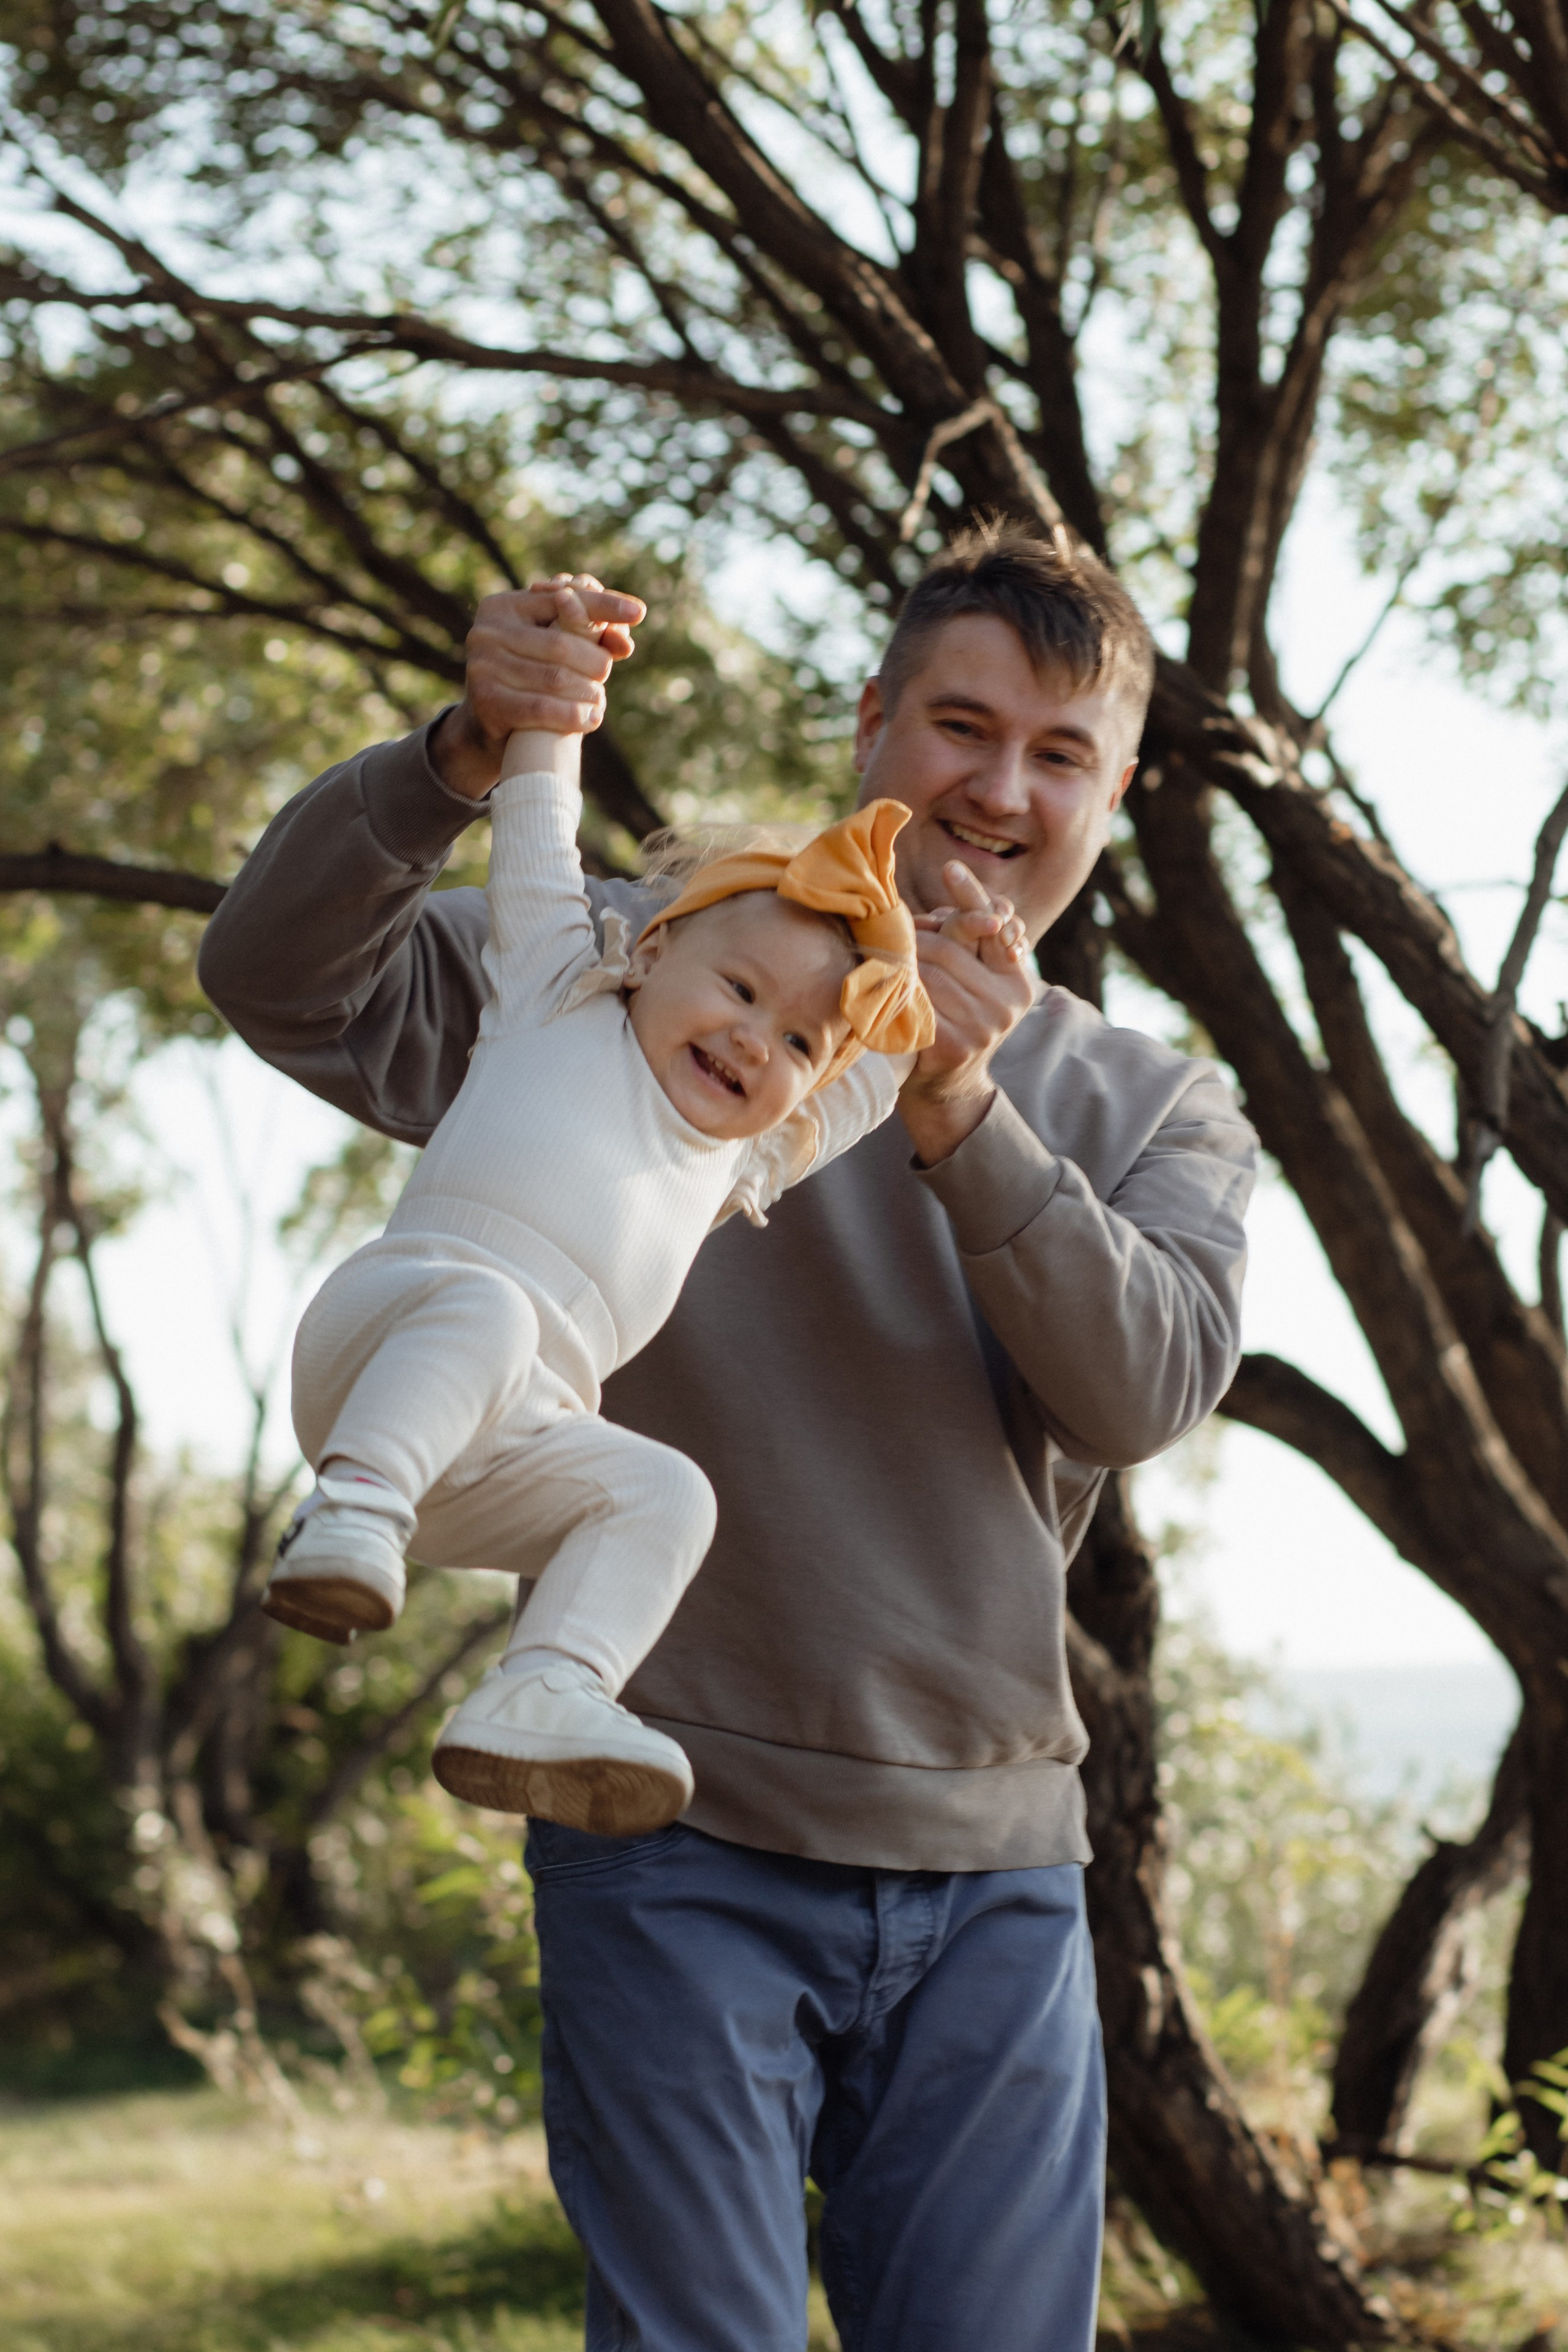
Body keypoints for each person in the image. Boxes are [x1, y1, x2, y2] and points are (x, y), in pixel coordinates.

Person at [198, 523, 1255, 2352]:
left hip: (993, 1864)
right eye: (959, 723)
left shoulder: (1153, 1103)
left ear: (1116, 792)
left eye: (1059, 752)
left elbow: (1145, 1386)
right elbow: (276, 976)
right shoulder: (648, 961)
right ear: (870, 724)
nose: (1000, 790)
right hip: (669, 1833)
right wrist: (461, 755)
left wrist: (953, 1102)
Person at [264, 579, 941, 1833]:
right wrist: (556, 703)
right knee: (492, 1312)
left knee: (666, 1493)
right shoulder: (556, 990)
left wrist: (939, 996)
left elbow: (863, 1083)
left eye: (795, 1042)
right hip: (387, 1346)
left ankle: (547, 1688)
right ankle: (345, 1514)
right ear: (647, 948)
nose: (754, 1041)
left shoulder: (738, 1160)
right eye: (737, 987)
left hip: (494, 1457)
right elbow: (536, 828)